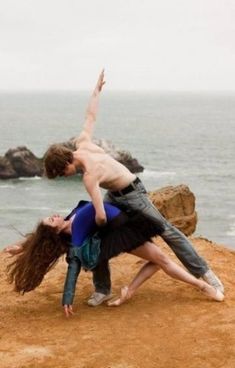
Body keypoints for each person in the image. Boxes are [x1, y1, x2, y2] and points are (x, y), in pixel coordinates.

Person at [43, 70, 224, 306]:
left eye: (62, 172)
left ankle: (205, 274)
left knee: (167, 231)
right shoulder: (82, 142)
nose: (64, 175)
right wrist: (96, 91)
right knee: (97, 235)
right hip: (114, 195)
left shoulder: (89, 176)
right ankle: (102, 289)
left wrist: (96, 229)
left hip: (133, 194)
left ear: (67, 163)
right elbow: (90, 115)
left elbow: (99, 216)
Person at [5, 200, 224, 318]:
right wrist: (67, 298)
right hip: (121, 236)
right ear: (53, 232)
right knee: (162, 260)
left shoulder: (71, 216)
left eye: (50, 216)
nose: (53, 216)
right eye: (51, 221)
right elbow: (73, 268)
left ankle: (129, 291)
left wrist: (22, 248)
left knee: (159, 261)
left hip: (126, 223)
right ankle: (202, 286)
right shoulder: (74, 237)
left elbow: (38, 237)